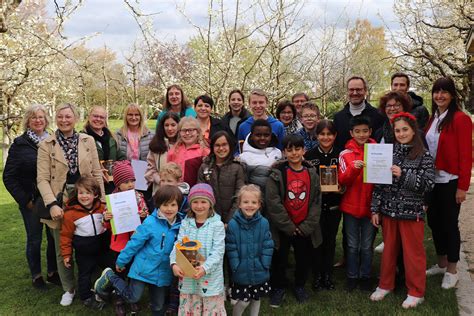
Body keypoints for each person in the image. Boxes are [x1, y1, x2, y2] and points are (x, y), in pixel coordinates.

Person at [36, 103, 105, 306]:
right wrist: (51, 204)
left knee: (92, 238)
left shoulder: (87, 140)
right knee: (61, 245)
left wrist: (100, 198)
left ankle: (92, 282)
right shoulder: (46, 145)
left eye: (68, 116)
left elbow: (96, 172)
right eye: (60, 116)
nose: (64, 120)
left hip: (86, 194)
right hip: (60, 197)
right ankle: (69, 287)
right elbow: (41, 179)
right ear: (55, 118)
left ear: (75, 118)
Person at [370, 112, 435, 309]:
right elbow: (378, 184)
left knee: (413, 253)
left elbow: (428, 184)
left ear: (413, 130)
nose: (401, 133)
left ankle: (416, 291)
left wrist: (403, 174)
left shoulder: (424, 155)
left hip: (411, 212)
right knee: (389, 250)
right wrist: (375, 209)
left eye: (405, 129)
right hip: (389, 211)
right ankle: (385, 285)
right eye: (397, 130)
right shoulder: (388, 153)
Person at [95, 185, 184, 315]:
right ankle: (110, 277)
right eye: (165, 205)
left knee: (158, 306)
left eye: (173, 205)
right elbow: (134, 243)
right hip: (143, 268)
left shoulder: (182, 225)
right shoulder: (150, 222)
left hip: (163, 272)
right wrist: (121, 261)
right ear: (158, 205)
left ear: (179, 206)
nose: (169, 209)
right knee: (133, 297)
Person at [3, 104, 59, 290]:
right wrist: (25, 200)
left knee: (52, 237)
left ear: (46, 120)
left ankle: (53, 273)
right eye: (34, 117)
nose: (38, 120)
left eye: (41, 117)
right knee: (35, 239)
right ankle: (37, 275)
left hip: (51, 198)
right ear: (28, 121)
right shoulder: (19, 145)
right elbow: (9, 177)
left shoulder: (53, 141)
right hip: (32, 201)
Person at [425, 77, 472, 289]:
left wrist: (463, 187)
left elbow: (466, 155)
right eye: (436, 91)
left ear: (452, 95)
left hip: (450, 180)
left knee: (449, 225)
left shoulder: (461, 119)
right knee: (434, 222)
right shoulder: (432, 118)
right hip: (431, 180)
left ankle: (453, 270)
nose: (440, 96)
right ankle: (442, 263)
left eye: (444, 92)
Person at [266, 134, 322, 307]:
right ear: (284, 152)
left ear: (303, 150)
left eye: (297, 149)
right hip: (283, 227)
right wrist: (288, 226)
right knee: (280, 258)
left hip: (304, 226)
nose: (294, 153)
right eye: (289, 150)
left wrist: (305, 226)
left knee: (302, 258)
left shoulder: (312, 173)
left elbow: (316, 202)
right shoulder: (277, 174)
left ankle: (299, 285)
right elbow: (273, 202)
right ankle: (278, 287)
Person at [170, 183, 226, 315]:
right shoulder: (186, 223)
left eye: (203, 202)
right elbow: (178, 245)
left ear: (210, 203)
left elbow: (218, 252)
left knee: (211, 310)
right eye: (195, 202)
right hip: (188, 276)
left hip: (210, 278)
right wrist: (173, 264)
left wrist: (205, 268)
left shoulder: (217, 225)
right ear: (190, 203)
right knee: (190, 308)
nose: (199, 206)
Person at [103, 160, 149, 315]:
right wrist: (107, 218)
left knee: (132, 271)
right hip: (118, 244)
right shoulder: (112, 200)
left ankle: (131, 297)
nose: (130, 184)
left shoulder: (139, 197)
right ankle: (118, 298)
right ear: (117, 183)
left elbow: (147, 220)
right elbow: (107, 227)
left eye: (132, 181)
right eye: (126, 182)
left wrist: (143, 215)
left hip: (135, 243)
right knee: (119, 271)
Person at [338, 115, 376, 292]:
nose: (361, 135)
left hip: (371, 207)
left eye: (365, 131)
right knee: (352, 245)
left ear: (370, 132)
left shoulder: (377, 150)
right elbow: (342, 179)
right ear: (351, 133)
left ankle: (366, 276)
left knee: (367, 246)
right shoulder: (345, 154)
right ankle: (352, 276)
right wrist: (354, 168)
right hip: (351, 207)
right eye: (357, 131)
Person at [60, 176, 109, 309]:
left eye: (88, 193)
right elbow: (65, 236)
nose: (84, 196)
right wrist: (66, 254)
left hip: (102, 248)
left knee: (109, 269)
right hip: (84, 252)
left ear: (96, 194)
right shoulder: (70, 214)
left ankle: (107, 291)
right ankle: (86, 297)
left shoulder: (103, 208)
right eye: (81, 192)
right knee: (84, 275)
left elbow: (110, 227)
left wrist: (108, 219)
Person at [305, 119, 342, 290]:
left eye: (329, 134)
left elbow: (347, 177)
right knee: (316, 241)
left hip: (334, 205)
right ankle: (317, 275)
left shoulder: (341, 155)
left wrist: (342, 188)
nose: (325, 137)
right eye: (322, 134)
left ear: (335, 135)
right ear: (316, 135)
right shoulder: (309, 156)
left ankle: (327, 275)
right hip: (315, 207)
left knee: (330, 240)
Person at [226, 185, 274, 316]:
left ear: (259, 205)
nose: (250, 205)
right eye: (246, 202)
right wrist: (236, 266)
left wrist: (265, 264)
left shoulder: (263, 223)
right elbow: (231, 247)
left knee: (256, 298)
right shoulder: (233, 224)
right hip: (241, 271)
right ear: (239, 204)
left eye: (254, 202)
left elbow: (267, 245)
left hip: (259, 269)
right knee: (244, 301)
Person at [198, 131, 245, 224]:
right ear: (212, 147)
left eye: (224, 145)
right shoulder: (204, 167)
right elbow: (201, 194)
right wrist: (210, 217)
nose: (221, 148)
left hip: (232, 220)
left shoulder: (237, 168)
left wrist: (229, 221)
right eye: (217, 145)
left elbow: (239, 196)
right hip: (210, 219)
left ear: (230, 146)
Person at [334, 76, 384, 151]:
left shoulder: (378, 115)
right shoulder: (338, 117)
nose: (355, 93)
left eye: (358, 89)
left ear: (365, 91)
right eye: (351, 90)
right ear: (347, 91)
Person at [83, 105, 126, 194]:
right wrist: (97, 172)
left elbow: (121, 157)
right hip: (91, 186)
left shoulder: (112, 137)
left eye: (102, 117)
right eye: (95, 116)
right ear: (89, 117)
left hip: (112, 185)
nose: (98, 119)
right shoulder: (82, 138)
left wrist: (118, 168)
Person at [239, 119, 282, 194]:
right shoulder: (244, 158)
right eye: (258, 135)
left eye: (266, 135)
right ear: (252, 136)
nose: (262, 138)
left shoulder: (278, 153)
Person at [167, 117, 210, 187]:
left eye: (191, 130)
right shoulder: (173, 151)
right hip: (175, 190)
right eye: (184, 130)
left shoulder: (204, 151)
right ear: (179, 133)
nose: (187, 133)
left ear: (198, 132)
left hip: (196, 190)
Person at [145, 112, 180, 195]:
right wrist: (161, 181)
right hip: (159, 191)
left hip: (179, 191)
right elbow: (151, 169)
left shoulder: (183, 144)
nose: (170, 128)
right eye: (166, 125)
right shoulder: (156, 145)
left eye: (173, 125)